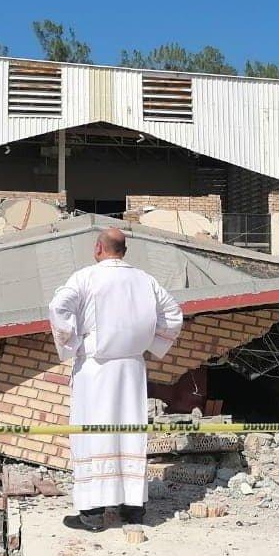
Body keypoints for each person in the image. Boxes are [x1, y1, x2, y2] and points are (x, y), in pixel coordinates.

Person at [48, 227, 183, 531]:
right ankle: (133, 509)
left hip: (95, 369)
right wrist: (150, 342)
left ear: (99, 248)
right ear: (124, 250)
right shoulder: (145, 280)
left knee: (93, 435)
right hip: (132, 368)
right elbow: (173, 315)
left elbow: (58, 307)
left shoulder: (86, 277)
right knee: (129, 433)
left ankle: (93, 515)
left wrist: (73, 342)